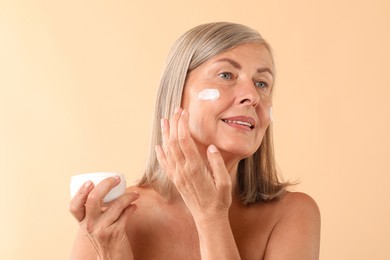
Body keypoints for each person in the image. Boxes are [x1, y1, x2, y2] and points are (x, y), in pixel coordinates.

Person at [69, 22, 321, 260]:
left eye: (261, 83)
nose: (252, 96)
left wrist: (211, 216)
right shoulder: (111, 221)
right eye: (226, 75)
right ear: (177, 94)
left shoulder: (292, 213)